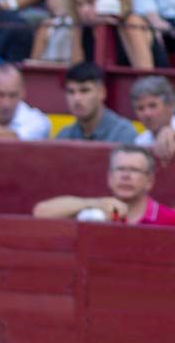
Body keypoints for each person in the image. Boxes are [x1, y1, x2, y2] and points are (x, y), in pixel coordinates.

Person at [56, 0, 167, 70]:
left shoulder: (131, 22)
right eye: (78, 3)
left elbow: (144, 74)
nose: (84, 10)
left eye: (91, 1)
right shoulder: (80, 28)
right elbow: (78, 74)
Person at [33, 144, 175, 226]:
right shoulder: (96, 211)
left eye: (134, 170)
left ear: (149, 181)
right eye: (120, 169)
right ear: (110, 177)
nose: (125, 176)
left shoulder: (169, 218)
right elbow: (41, 212)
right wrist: (94, 203)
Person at [54, 63, 138, 144]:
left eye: (84, 90)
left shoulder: (122, 133)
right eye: (71, 91)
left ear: (102, 92)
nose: (77, 98)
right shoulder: (64, 136)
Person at [129, 75, 175, 165]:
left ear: (170, 105)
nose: (147, 114)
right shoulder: (139, 142)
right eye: (140, 108)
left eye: (152, 106)